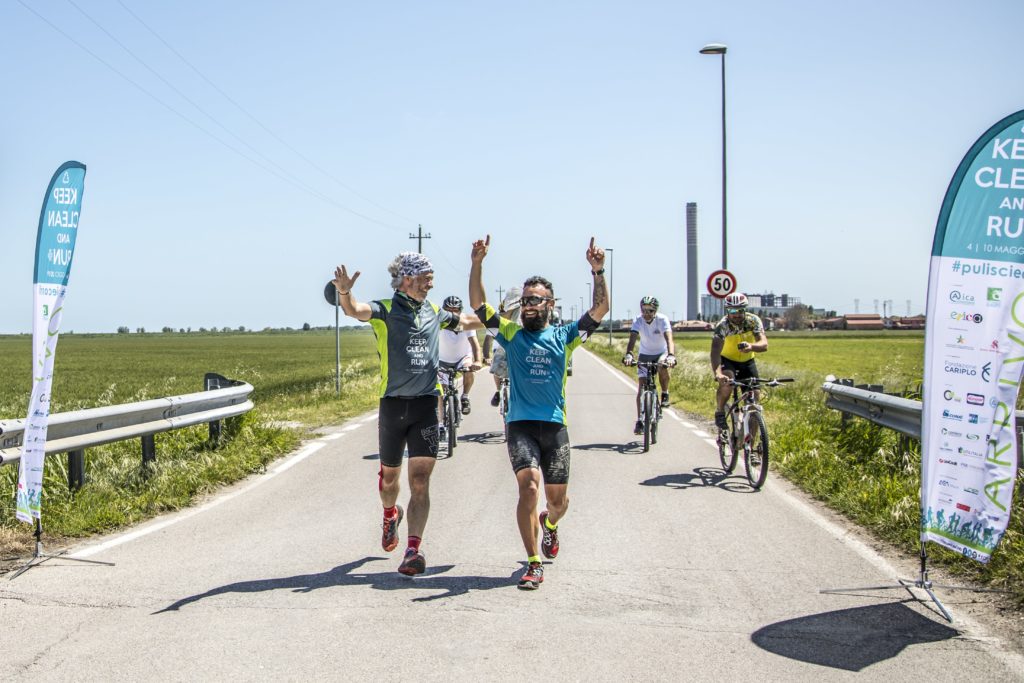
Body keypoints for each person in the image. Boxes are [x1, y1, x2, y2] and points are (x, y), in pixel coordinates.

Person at [469, 235, 608, 590]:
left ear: (550, 304)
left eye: (536, 300)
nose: (529, 305)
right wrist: (477, 264)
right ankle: (533, 562)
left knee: (557, 502)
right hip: (520, 425)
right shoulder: (512, 334)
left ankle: (550, 524)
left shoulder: (565, 336)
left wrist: (598, 271)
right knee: (529, 487)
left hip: (555, 426)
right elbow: (479, 305)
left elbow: (600, 310)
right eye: (526, 300)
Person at [333, 252, 482, 576]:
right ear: (408, 278)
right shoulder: (385, 310)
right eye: (427, 275)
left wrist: (499, 316)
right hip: (393, 405)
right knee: (389, 481)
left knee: (420, 481)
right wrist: (345, 293)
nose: (432, 281)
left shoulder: (433, 311)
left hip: (427, 405)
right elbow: (355, 310)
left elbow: (469, 321)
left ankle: (413, 549)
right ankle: (390, 514)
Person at [710, 292, 768, 430]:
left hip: (748, 362)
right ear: (727, 311)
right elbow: (715, 352)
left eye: (740, 310)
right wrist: (718, 374)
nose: (737, 314)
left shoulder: (753, 321)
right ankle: (719, 411)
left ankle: (751, 448)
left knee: (754, 404)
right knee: (728, 381)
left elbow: (764, 344)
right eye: (732, 311)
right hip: (727, 359)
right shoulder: (722, 325)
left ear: (745, 310)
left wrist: (751, 346)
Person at [622, 296, 676, 436]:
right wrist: (629, 354)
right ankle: (640, 420)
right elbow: (632, 338)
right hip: (645, 353)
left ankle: (665, 394)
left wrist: (671, 355)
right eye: (644, 310)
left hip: (661, 353)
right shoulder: (638, 320)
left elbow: (669, 339)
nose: (646, 313)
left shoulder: (662, 320)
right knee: (641, 386)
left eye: (650, 311)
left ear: (655, 311)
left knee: (662, 366)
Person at [437, 295, 482, 433]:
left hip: (462, 357)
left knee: (469, 370)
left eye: (455, 310)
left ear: (460, 310)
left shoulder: (465, 321)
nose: (452, 313)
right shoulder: (438, 321)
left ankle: (465, 397)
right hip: (442, 359)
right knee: (439, 390)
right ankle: (440, 423)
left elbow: (474, 343)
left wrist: (478, 361)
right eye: (448, 310)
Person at [482, 287, 522, 407]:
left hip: (515, 347)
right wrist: (486, 356)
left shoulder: (519, 319)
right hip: (499, 347)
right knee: (497, 364)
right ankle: (498, 391)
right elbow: (488, 338)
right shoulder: (498, 321)